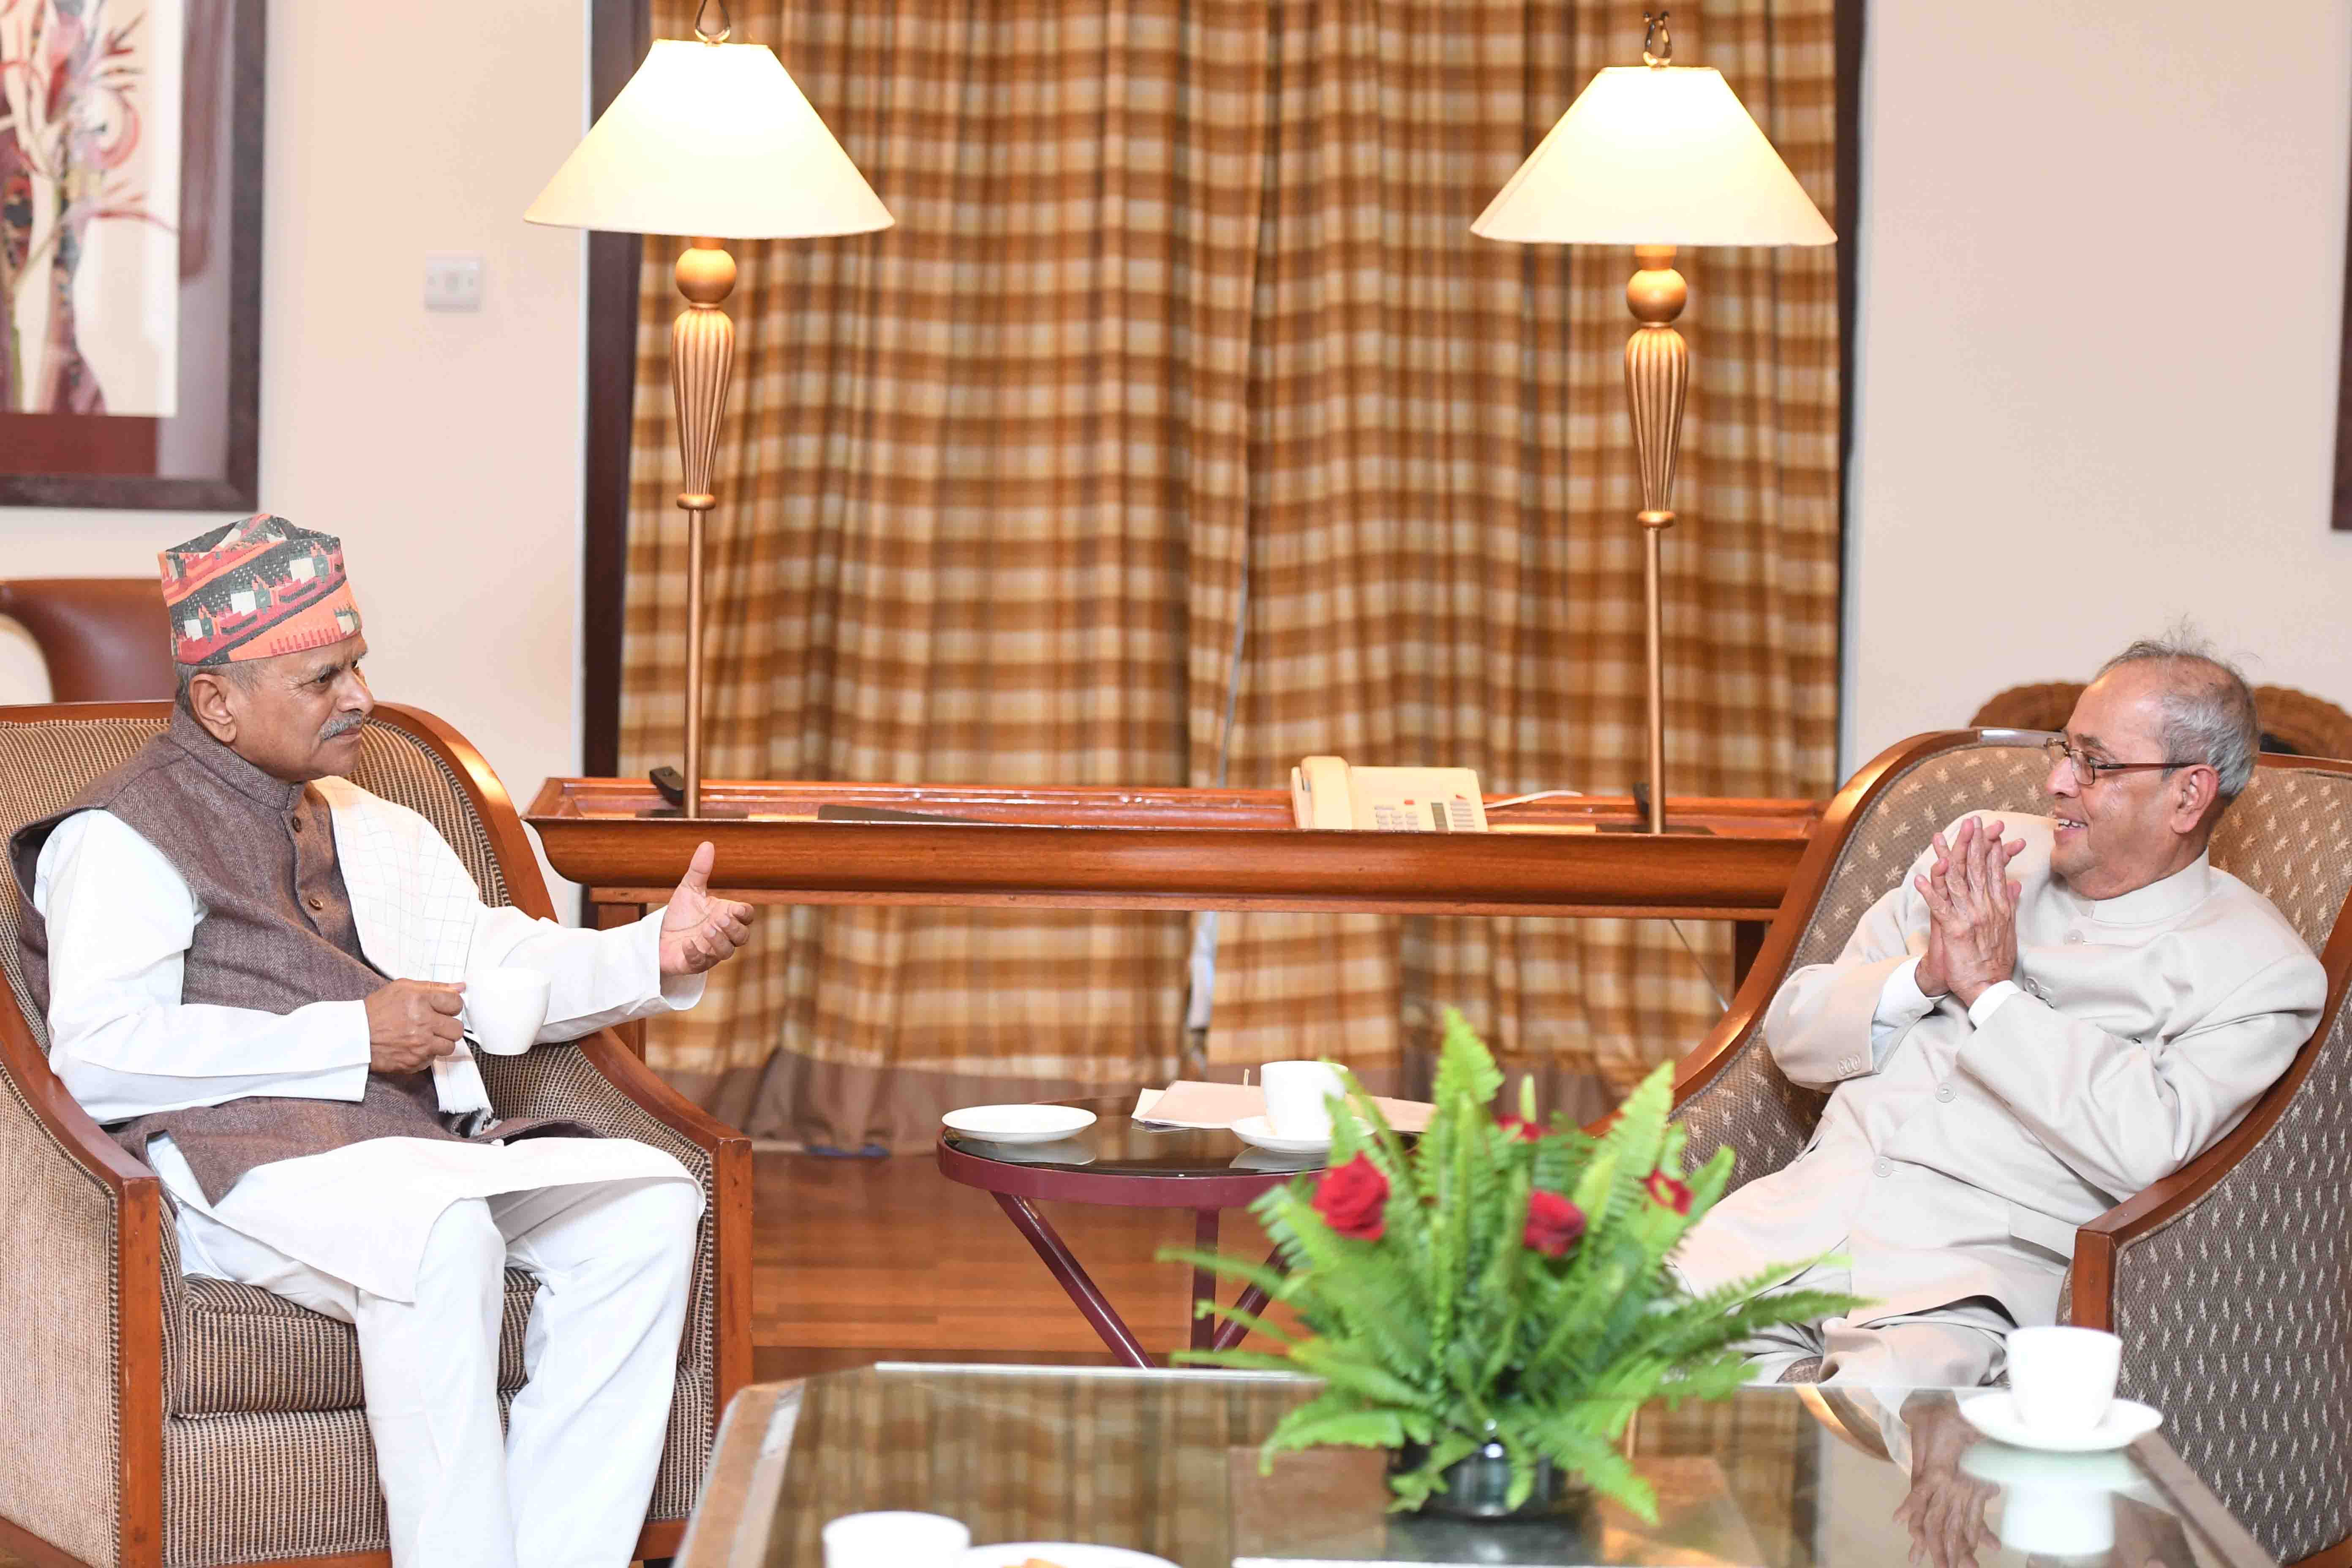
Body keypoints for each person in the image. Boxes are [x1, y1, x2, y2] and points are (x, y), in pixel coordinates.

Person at [8, 515, 756, 1568]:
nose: (359, 697)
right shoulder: (119, 836)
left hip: (412, 1152)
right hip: (239, 1169)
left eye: (356, 664)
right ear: (218, 702)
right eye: (322, 678)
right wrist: (352, 1034)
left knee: (647, 1202)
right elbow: (100, 1052)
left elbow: (494, 964)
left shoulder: (366, 816)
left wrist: (652, 955)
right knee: (446, 1231)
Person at [1673, 634, 2326, 1386]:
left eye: (2094, 763)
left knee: (1861, 1468)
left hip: (1955, 1291)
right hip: (1783, 1233)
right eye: (2064, 750)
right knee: (1568, 1370)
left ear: (2189, 794)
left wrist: (1991, 993)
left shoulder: (2260, 971)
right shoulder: (1983, 851)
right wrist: (1923, 976)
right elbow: (1794, 1035)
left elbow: (2149, 1147)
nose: (2055, 781)